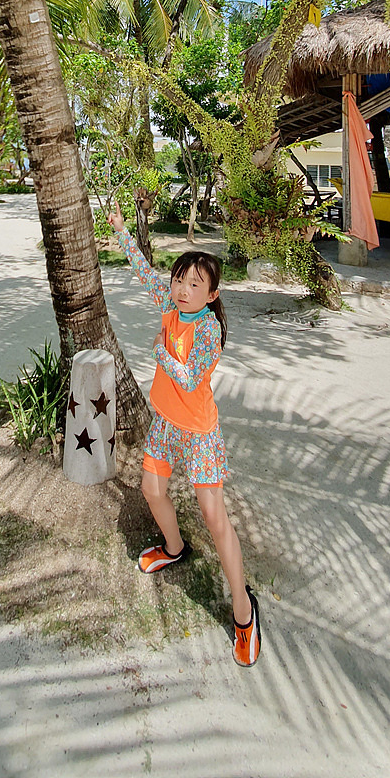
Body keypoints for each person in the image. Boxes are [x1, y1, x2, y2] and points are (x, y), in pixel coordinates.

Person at [107, 202, 261, 667]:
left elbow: (191, 379)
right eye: (179, 280)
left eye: (195, 284)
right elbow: (143, 271)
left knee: (215, 518)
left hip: (199, 434)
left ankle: (244, 612)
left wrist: (159, 351)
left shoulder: (209, 329)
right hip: (165, 423)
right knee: (152, 490)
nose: (183, 290)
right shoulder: (169, 302)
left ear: (212, 294)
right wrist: (122, 230)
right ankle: (175, 549)